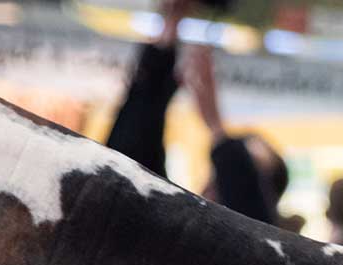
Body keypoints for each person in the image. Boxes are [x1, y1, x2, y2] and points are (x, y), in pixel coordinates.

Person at [104, 0, 290, 227]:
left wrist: (215, 123)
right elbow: (130, 157)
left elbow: (251, 219)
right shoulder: (172, 221)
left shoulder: (242, 250)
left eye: (245, 165)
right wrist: (168, 35)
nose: (221, 174)